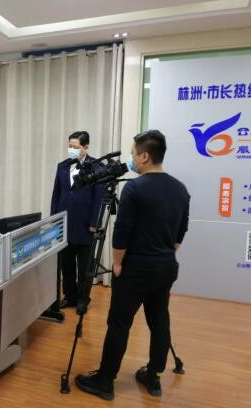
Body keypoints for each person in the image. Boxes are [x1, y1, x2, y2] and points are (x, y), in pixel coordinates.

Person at [75, 130, 190, 400]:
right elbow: (180, 234)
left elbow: (122, 233)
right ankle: (154, 376)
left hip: (135, 269)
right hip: (165, 267)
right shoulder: (180, 189)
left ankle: (105, 380)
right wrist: (164, 253)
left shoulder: (135, 188)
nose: (132, 159)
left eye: (133, 154)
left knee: (119, 323)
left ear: (145, 156)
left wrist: (117, 263)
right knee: (159, 320)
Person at [51, 131, 104, 308]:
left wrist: (94, 223)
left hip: (85, 224)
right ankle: (70, 296)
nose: (71, 150)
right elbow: (56, 195)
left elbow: (99, 198)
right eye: (69, 146)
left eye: (75, 147)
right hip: (64, 223)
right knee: (66, 265)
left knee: (84, 267)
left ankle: (83, 299)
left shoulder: (97, 166)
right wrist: (54, 220)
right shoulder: (62, 166)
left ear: (86, 147)